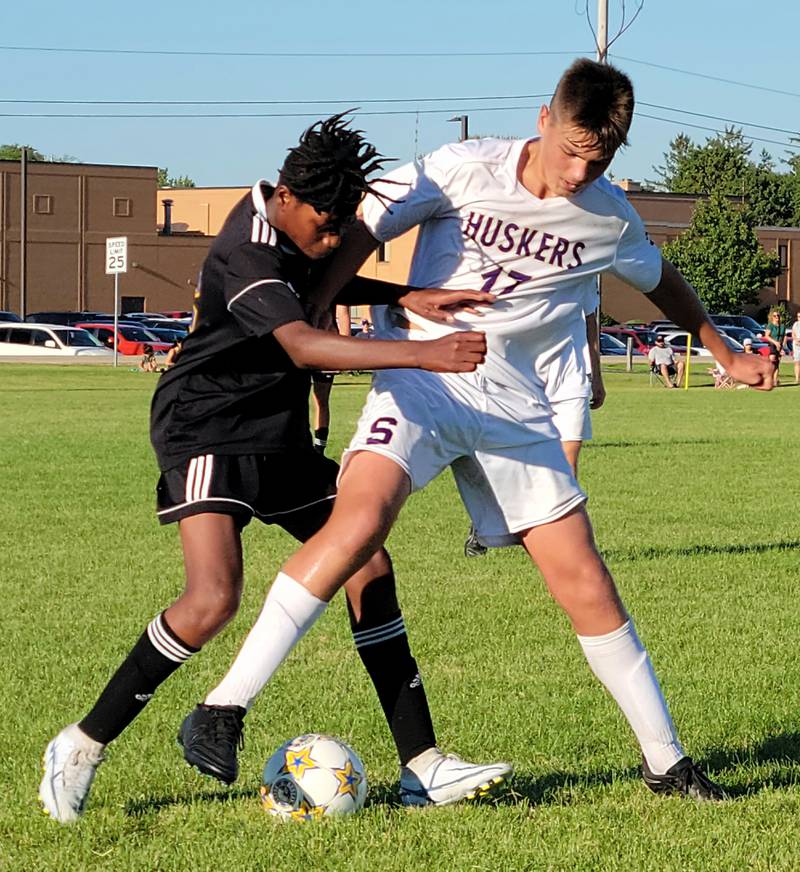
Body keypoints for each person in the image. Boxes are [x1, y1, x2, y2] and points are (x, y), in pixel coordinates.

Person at [177, 59, 774, 805]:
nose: (580, 172)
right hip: (422, 377)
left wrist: (724, 351)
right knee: (359, 520)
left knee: (583, 578)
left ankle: (666, 762)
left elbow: (661, 281)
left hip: (512, 405)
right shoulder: (460, 167)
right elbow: (365, 222)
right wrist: (325, 305)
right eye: (571, 152)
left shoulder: (608, 216)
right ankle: (223, 709)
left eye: (600, 160)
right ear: (543, 121)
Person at [39, 113, 504, 824]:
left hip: (277, 434)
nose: (334, 238)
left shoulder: (292, 231)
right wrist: (425, 352)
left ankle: (424, 767)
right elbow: (303, 341)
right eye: (327, 222)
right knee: (212, 601)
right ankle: (81, 743)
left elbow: (320, 281)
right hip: (208, 432)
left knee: (368, 565)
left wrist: (400, 295)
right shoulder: (244, 251)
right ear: (286, 195)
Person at [464, 287, 603, 556]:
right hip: (521, 379)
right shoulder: (521, 268)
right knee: (511, 462)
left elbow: (590, 324)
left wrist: (596, 374)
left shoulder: (582, 266)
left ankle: (564, 549)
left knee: (567, 465)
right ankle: (488, 522)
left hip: (570, 381)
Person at [310, 305, 351, 455]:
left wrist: (345, 350)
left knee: (321, 401)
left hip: (324, 347)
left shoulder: (331, 284)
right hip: (302, 343)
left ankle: (319, 448)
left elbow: (343, 312)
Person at [763, 309, 787, 388]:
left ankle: (775, 380)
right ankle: (768, 379)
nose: (777, 317)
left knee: (777, 364)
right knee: (772, 361)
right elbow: (766, 336)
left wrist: (782, 347)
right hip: (772, 344)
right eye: (775, 316)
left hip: (779, 345)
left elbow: (784, 337)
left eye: (778, 316)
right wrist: (775, 342)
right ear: (772, 317)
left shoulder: (782, 326)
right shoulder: (770, 325)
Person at [791, 311, 800, 384]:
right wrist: (796, 340)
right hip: (796, 345)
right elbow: (793, 334)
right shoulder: (795, 324)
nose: (799, 318)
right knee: (797, 362)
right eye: (798, 316)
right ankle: (797, 379)